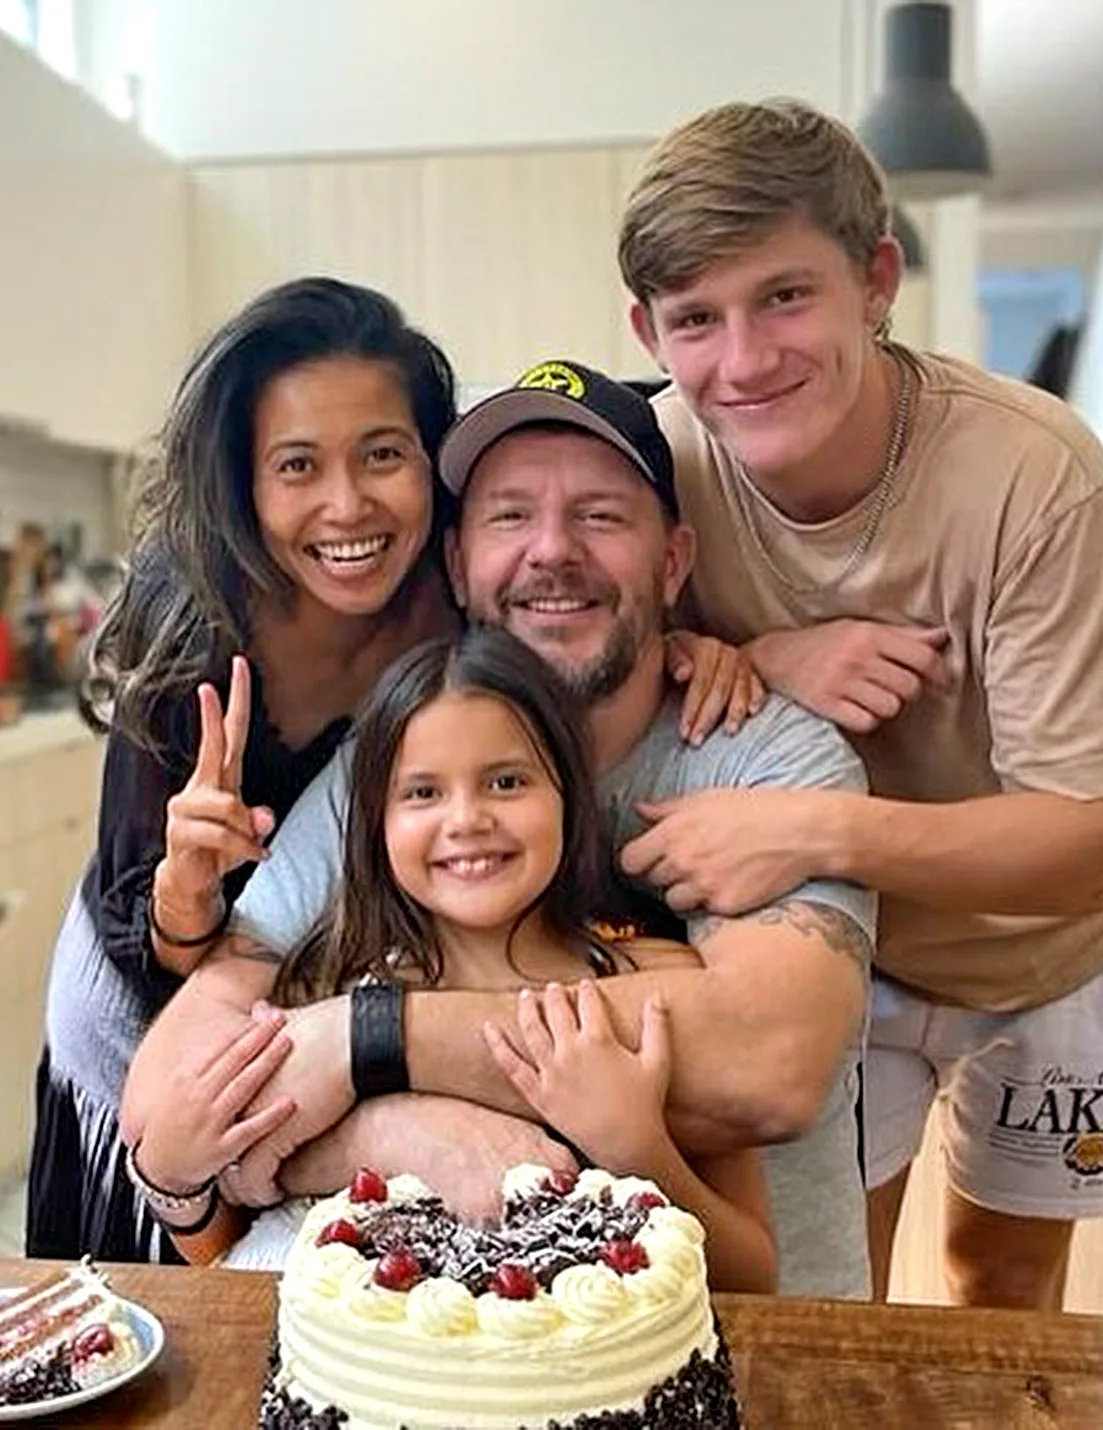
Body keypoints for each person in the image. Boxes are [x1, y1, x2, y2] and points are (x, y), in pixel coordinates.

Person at [123, 361, 877, 1297]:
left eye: (600, 516)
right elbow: (173, 1112)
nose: (550, 552)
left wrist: (366, 1044)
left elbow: (770, 1067)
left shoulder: (768, 762)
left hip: (761, 1352)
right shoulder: (383, 766)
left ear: (673, 560)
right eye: (510, 517)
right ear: (456, 563)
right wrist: (382, 1133)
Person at [614, 97, 1103, 1310]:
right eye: (697, 319)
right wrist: (768, 655)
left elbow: (1091, 843)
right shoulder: (645, 463)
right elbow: (565, 647)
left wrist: (813, 828)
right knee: (830, 1286)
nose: (746, 359)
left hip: (1055, 952)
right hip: (841, 963)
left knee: (1004, 1284)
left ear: (876, 279)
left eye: (785, 296)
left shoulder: (1038, 476)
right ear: (647, 332)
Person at [129, 628, 777, 1292]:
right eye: (422, 793)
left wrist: (638, 1147)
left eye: (505, 781)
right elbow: (225, 1247)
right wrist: (180, 1183)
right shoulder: (316, 989)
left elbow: (754, 1278)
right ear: (375, 820)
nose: (466, 819)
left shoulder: (656, 984)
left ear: (567, 793)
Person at [27, 276, 460, 1263]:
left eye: (383, 454)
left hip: (316, 1014)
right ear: (246, 481)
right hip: (143, 1006)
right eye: (297, 464)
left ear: (434, 461)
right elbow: (147, 919)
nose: (347, 505)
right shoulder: (187, 617)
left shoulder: (460, 590)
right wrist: (190, 894)